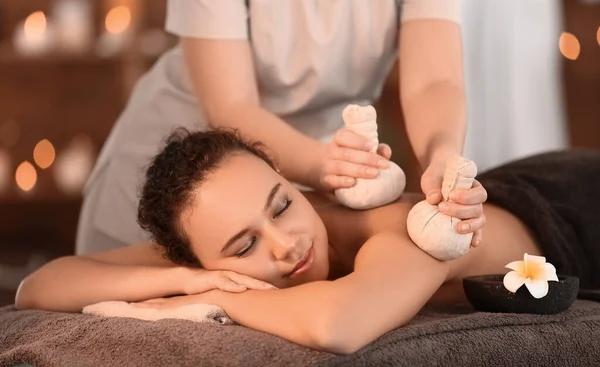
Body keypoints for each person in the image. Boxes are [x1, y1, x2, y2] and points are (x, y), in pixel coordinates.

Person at [17, 129, 600, 354]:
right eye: (244, 248)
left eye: (283, 205)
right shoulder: (205, 257)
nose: (286, 245)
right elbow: (40, 286)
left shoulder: (405, 229)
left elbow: (338, 326)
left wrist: (206, 300)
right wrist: (185, 277)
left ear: (292, 183)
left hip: (579, 202)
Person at [75, 0, 487, 255]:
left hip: (308, 178)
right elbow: (231, 107)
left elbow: (436, 81)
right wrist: (323, 165)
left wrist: (443, 157)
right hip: (183, 163)